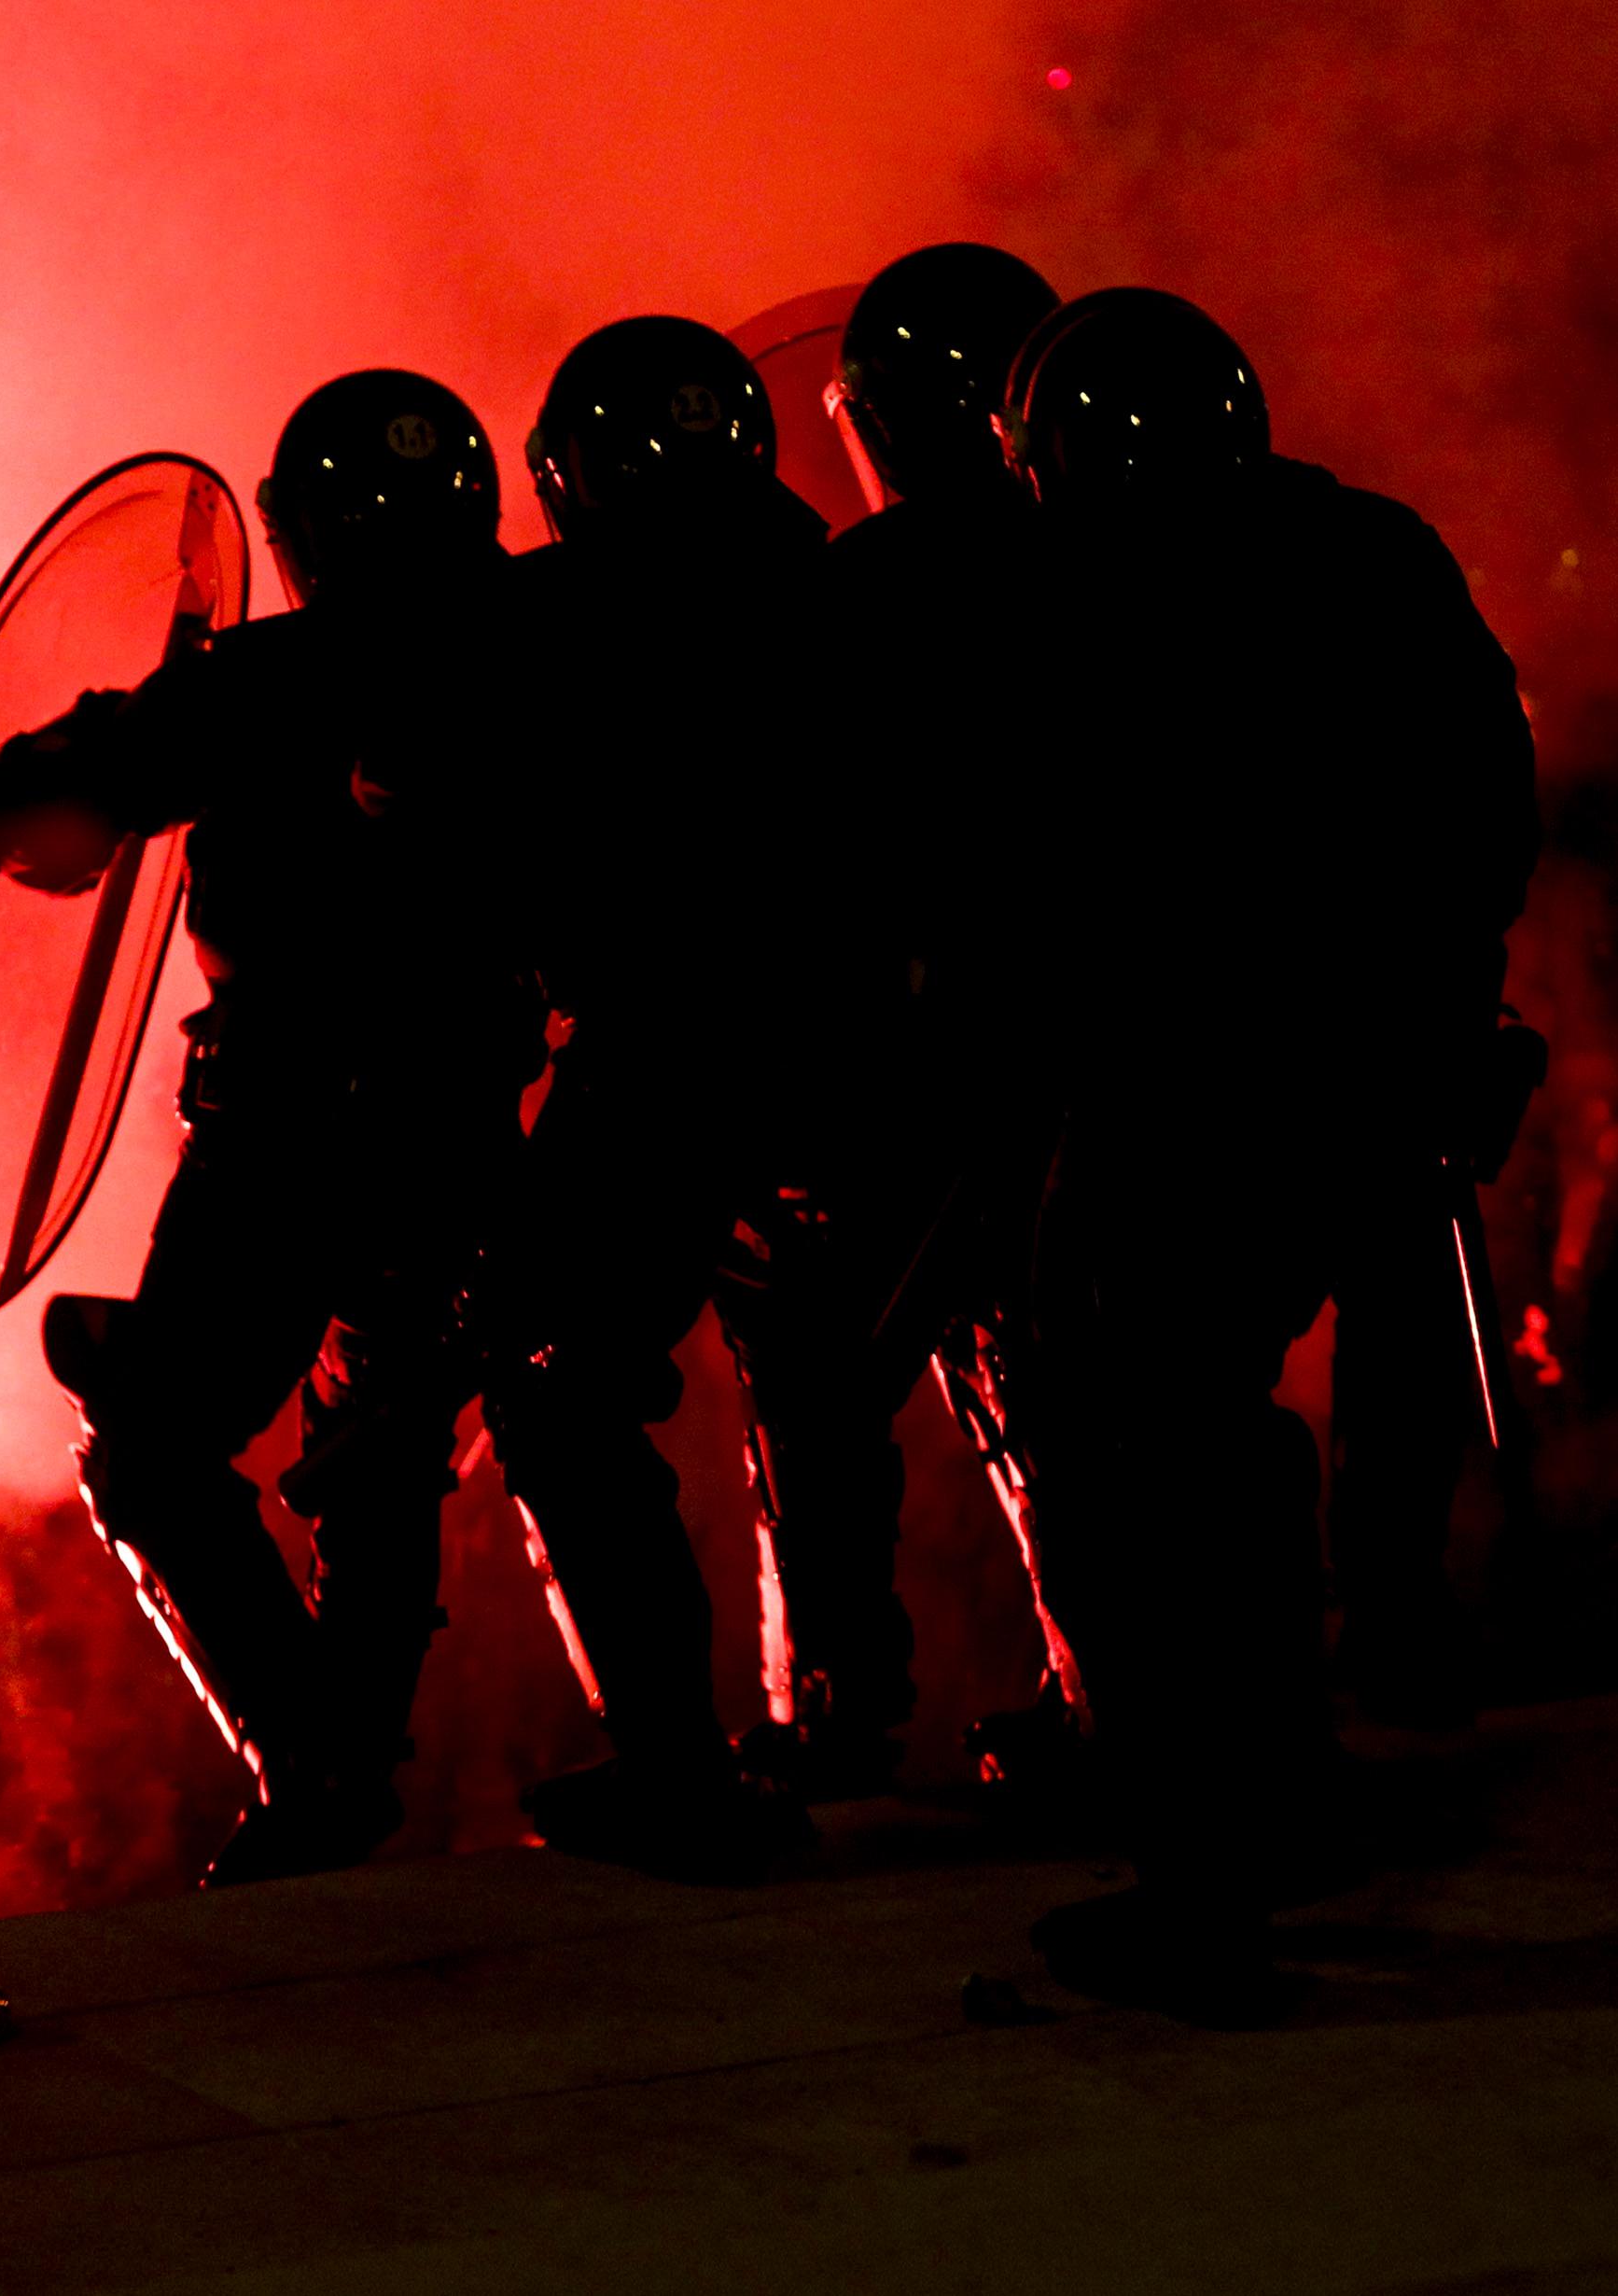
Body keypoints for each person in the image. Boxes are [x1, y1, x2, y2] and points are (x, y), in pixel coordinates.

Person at [997, 289, 1538, 2017]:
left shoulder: (1090, 598)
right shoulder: (1375, 552)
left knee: (1151, 1477)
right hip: (1374, 1085)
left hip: (1186, 1104)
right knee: (1228, 1453)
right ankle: (1293, 1781)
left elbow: (1035, 873)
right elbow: (1489, 811)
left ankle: (1206, 1886)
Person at [0, 369, 542, 1883]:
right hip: (465, 1127)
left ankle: (316, 1767)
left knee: (153, 1454)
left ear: (304, 529)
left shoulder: (274, 677)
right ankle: (342, 1776)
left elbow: (103, 777)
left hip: (287, 1140)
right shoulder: (551, 648)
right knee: (379, 1450)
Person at [388, 316, 845, 1878]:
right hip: (866, 1051)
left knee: (553, 1375)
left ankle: (677, 1766)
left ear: (567, 470)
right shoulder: (836, 587)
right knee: (840, 1370)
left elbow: (419, 793)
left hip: (674, 1049)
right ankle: (854, 1714)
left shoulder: (555, 612)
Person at [719, 241, 1075, 1801]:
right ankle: (1133, 1690)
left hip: (954, 1067)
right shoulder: (1151, 562)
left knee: (811, 1346)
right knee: (1075, 1374)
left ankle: (835, 1707)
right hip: (1146, 1051)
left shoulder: (859, 594)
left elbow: (791, 858)